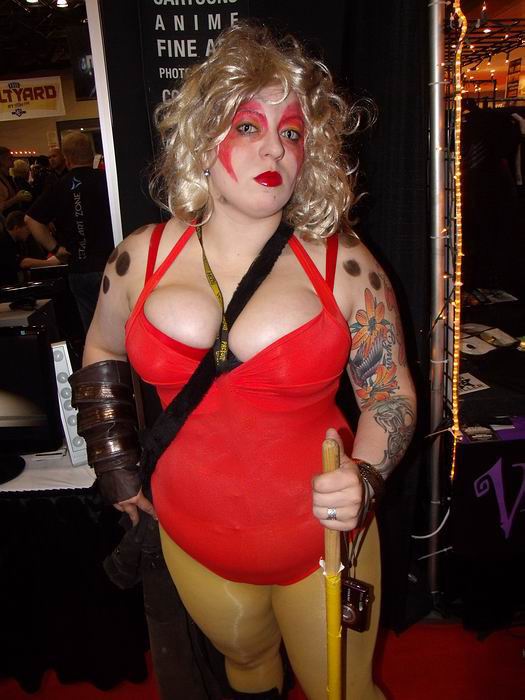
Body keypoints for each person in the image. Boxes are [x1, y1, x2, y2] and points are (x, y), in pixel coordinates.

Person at [75, 22, 416, 700]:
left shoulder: (344, 265)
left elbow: (389, 391)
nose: (275, 148)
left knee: (344, 693)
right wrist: (114, 463)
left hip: (320, 543)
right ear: (203, 140)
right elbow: (102, 349)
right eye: (248, 126)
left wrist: (367, 475)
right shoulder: (140, 257)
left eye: (292, 133)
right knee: (247, 669)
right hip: (193, 539)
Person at [25, 131, 114, 334]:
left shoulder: (60, 186)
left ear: (67, 157)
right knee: (119, 325)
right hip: (112, 264)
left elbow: (31, 220)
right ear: (91, 152)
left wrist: (56, 248)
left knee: (92, 330)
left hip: (80, 267)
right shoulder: (107, 181)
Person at [0, 147, 31, 216]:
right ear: (2, 161)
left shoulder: (8, 177)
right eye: (10, 158)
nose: (13, 160)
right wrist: (17, 198)